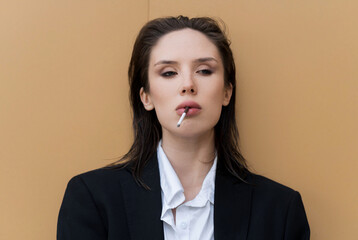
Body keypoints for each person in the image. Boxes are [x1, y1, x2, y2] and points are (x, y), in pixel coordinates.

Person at [57, 16, 310, 240]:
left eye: (204, 70)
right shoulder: (92, 199)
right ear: (146, 97)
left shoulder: (280, 210)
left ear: (226, 92)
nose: (188, 85)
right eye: (168, 73)